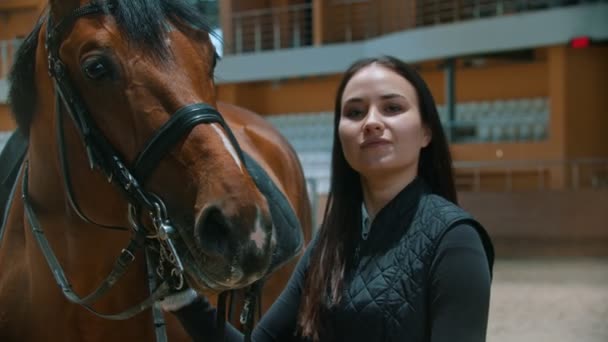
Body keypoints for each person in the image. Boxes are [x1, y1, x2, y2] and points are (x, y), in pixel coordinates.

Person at [161, 55, 494, 342]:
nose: (372, 122)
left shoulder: (456, 241)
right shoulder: (329, 245)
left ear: (425, 132)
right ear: (340, 134)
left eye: (392, 108)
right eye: (354, 112)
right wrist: (183, 299)